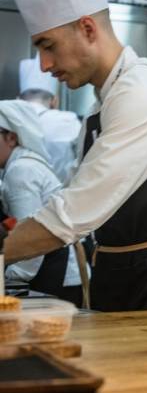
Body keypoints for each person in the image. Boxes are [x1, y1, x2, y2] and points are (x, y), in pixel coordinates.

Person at [2, 0, 147, 311]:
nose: (44, 65)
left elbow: (73, 212)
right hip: (116, 279)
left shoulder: (144, 91)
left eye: (48, 46)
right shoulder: (100, 107)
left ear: (88, 28)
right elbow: (71, 194)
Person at [0, 100, 85, 306]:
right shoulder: (23, 165)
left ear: (11, 138)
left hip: (55, 277)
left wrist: (10, 280)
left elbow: (29, 236)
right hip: (56, 273)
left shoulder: (21, 171)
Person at [19, 55, 82, 185]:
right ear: (54, 101)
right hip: (63, 197)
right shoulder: (68, 121)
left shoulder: (6, 123)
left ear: (18, 99)